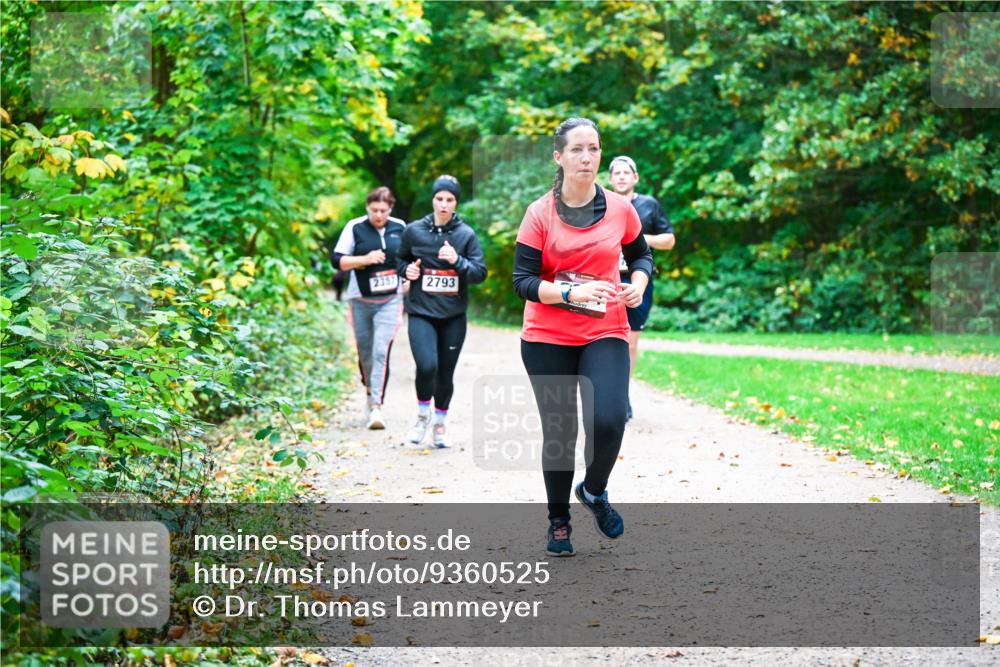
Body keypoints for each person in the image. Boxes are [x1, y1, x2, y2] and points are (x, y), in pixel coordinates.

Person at [512, 118, 653, 556]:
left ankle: (593, 490)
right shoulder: (540, 213)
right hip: (546, 336)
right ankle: (559, 522)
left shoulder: (619, 208)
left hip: (605, 327)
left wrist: (639, 285)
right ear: (558, 157)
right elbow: (522, 280)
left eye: (593, 149)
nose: (586, 157)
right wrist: (571, 291)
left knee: (609, 420)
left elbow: (641, 254)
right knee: (561, 432)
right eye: (576, 149)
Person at [397, 175, 487, 448]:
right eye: (439, 199)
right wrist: (407, 270)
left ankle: (439, 424)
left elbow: (479, 273)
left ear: (456, 202)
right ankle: (422, 416)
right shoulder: (414, 231)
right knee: (427, 366)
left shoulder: (465, 235)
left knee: (445, 373)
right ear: (433, 200)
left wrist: (457, 260)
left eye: (449, 200)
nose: (444, 205)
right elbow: (400, 259)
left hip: (453, 317)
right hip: (421, 312)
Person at [332, 186, 406, 430]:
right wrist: (365, 260)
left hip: (390, 300)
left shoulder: (400, 227)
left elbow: (411, 258)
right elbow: (338, 261)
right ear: (367, 208)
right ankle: (369, 391)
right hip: (360, 299)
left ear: (390, 208)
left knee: (380, 351)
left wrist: (407, 280)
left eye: (383, 210)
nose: (379, 215)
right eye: (374, 210)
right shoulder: (355, 227)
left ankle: (377, 407)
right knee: (365, 353)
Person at [608, 155, 676, 421]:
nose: (622, 176)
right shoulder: (602, 204)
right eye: (617, 173)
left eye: (627, 172)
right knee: (605, 337)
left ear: (635, 178)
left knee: (630, 340)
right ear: (611, 179)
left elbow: (669, 240)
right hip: (607, 278)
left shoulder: (649, 205)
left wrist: (637, 238)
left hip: (639, 279)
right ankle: (608, 394)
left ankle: (622, 395)